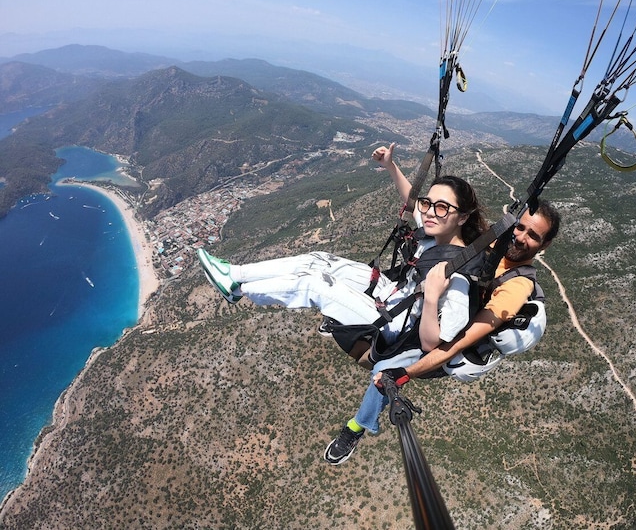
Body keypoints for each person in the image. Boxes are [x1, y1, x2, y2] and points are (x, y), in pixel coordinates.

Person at [196, 144, 487, 462]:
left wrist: (432, 299)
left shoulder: (460, 277)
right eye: (429, 203)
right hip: (392, 293)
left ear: (463, 217)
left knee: (314, 286)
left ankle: (357, 428)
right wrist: (391, 167)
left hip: (399, 327)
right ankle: (235, 276)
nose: (430, 212)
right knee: (317, 260)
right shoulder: (436, 232)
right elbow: (412, 201)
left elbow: (435, 344)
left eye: (442, 207)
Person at [373, 198, 561, 409]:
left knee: (381, 367)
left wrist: (407, 373)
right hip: (421, 305)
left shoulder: (517, 286)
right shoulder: (492, 241)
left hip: (439, 340)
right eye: (519, 227)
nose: (520, 237)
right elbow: (430, 211)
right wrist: (390, 166)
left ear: (545, 244)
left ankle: (355, 430)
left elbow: (463, 340)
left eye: (533, 236)